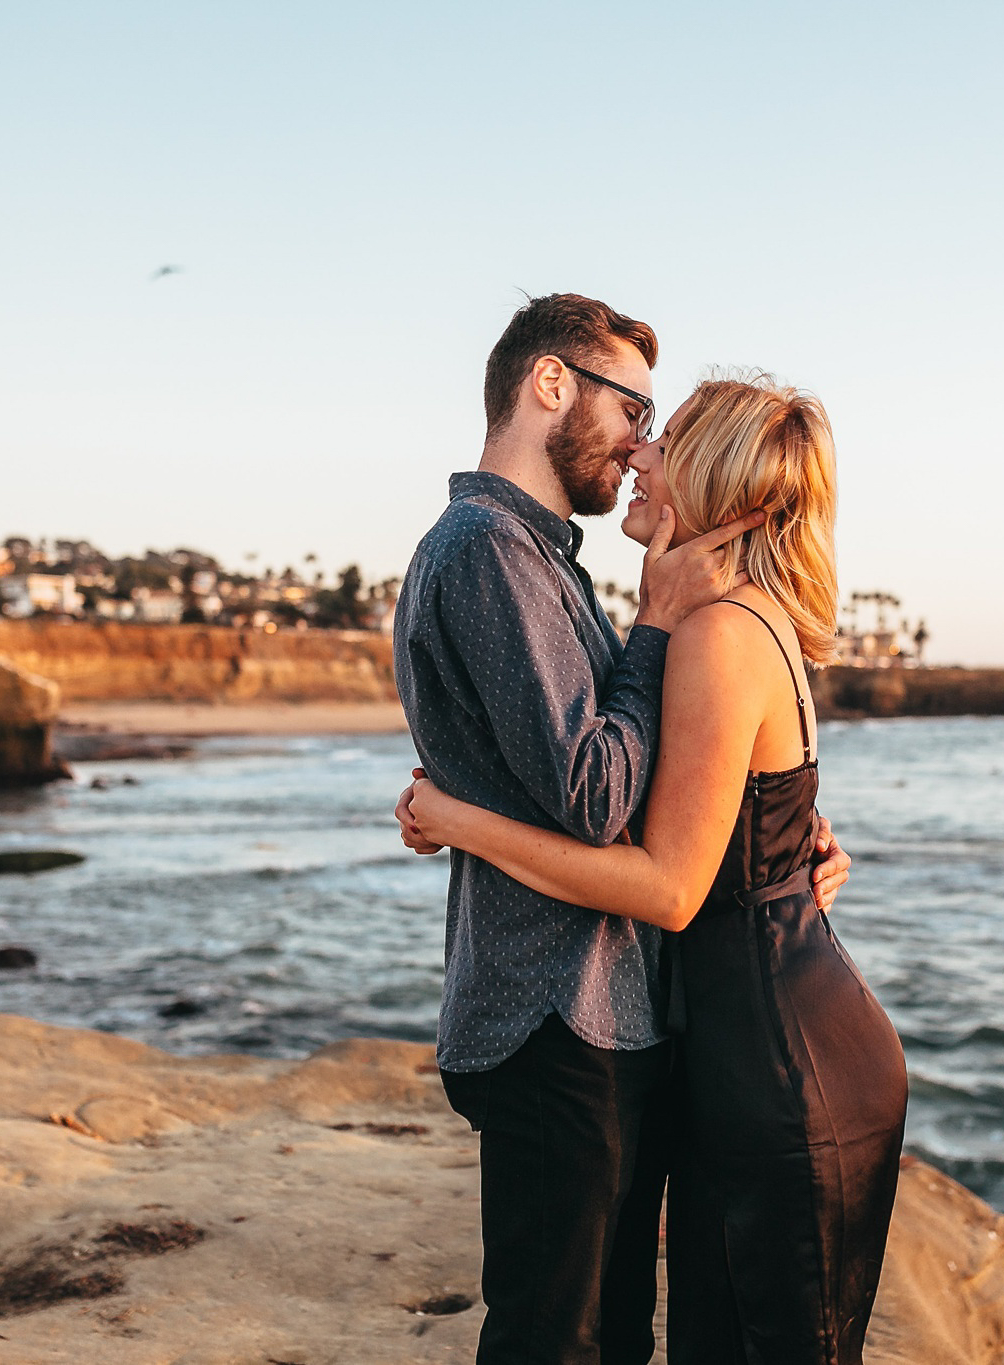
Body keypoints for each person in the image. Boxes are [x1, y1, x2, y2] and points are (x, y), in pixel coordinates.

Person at [404, 375, 907, 1365]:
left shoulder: (718, 632)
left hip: (777, 1067)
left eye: (664, 441)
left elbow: (669, 887)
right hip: (767, 1042)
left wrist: (460, 820)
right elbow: (717, 813)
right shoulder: (733, 621)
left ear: (718, 483)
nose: (637, 454)